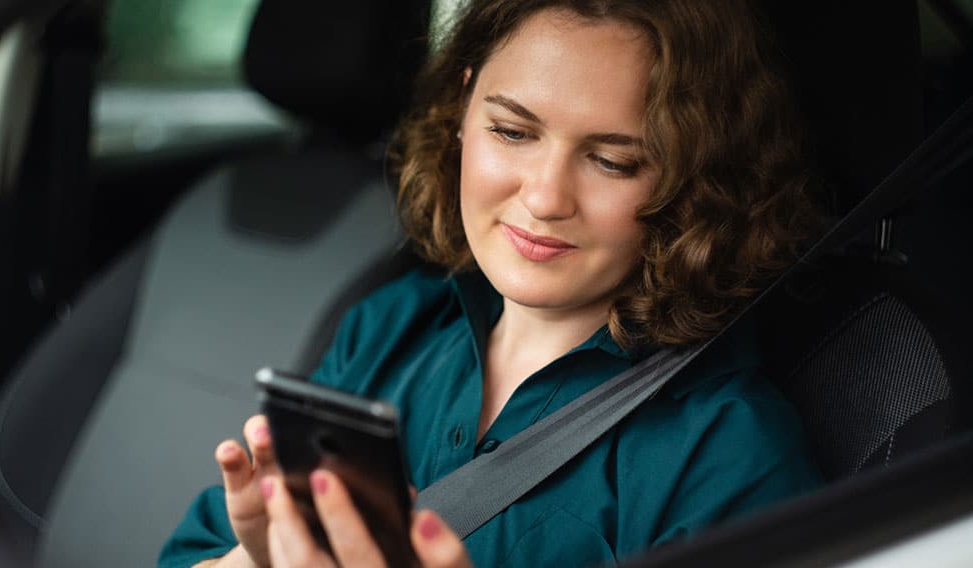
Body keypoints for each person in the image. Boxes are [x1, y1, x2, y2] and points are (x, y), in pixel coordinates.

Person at [159, 0, 824, 566]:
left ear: (694, 178)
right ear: (462, 106)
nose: (543, 197)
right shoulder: (390, 327)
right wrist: (251, 559)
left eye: (613, 162)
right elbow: (194, 549)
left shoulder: (729, 454)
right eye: (511, 131)